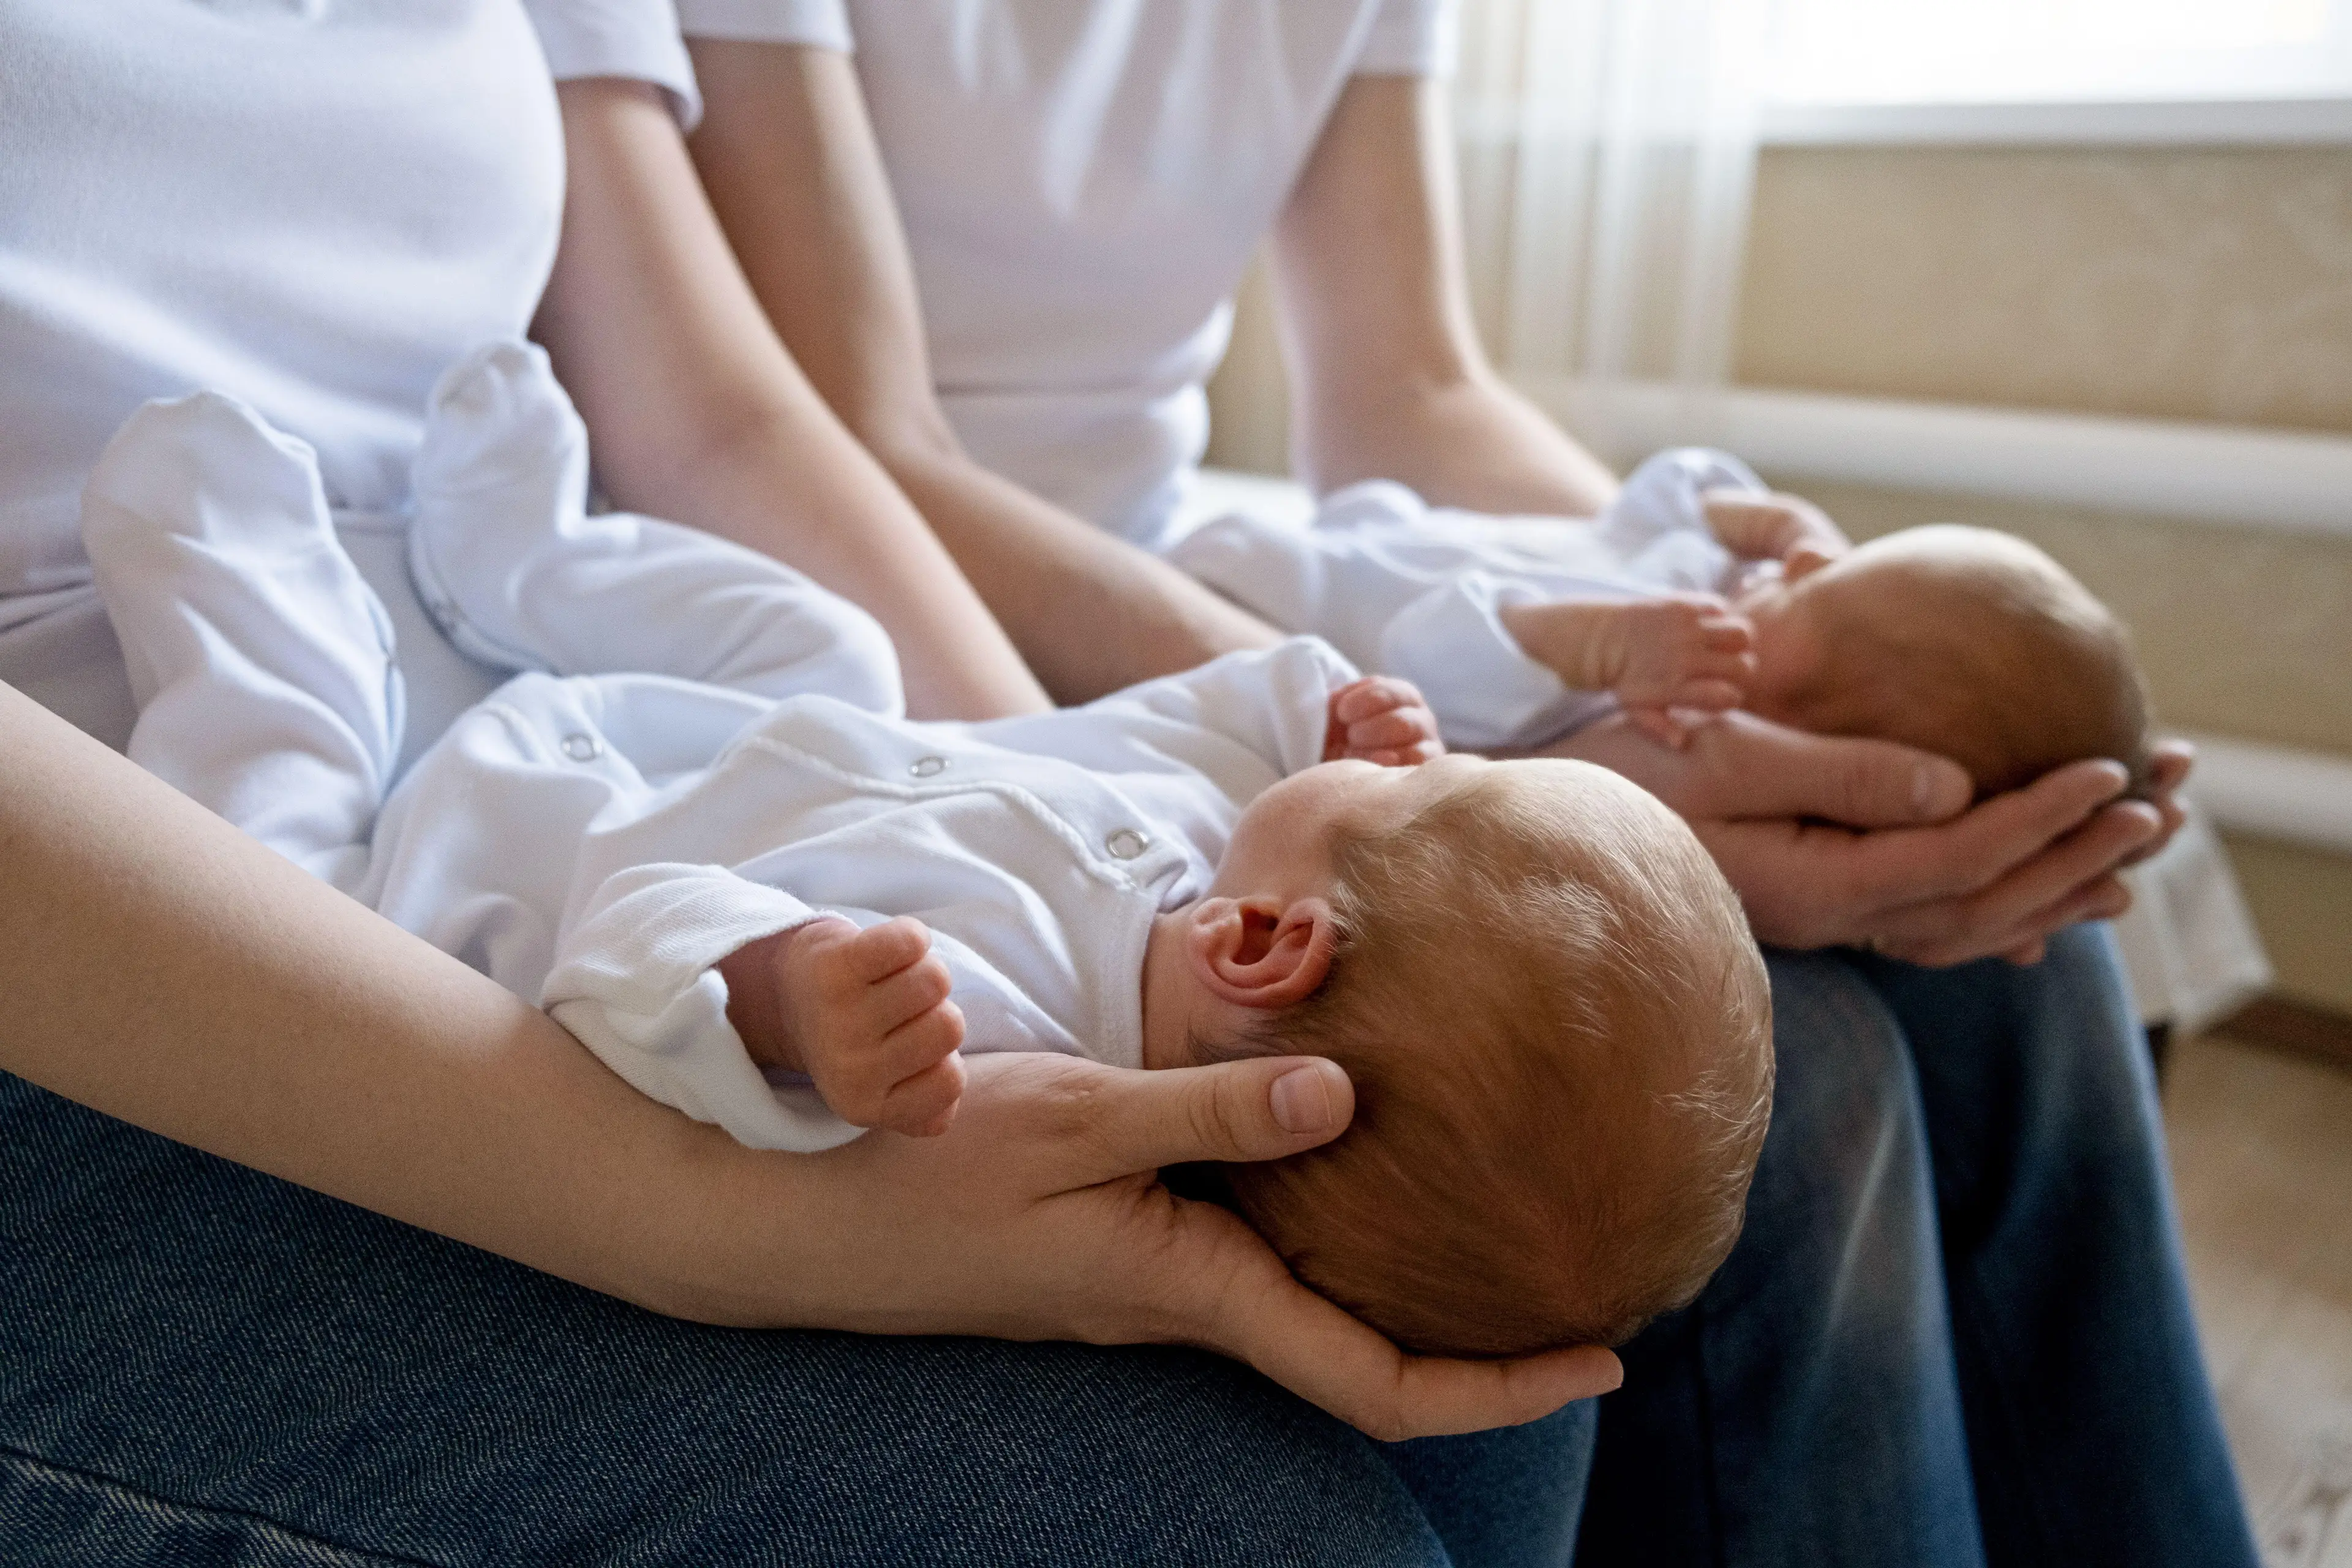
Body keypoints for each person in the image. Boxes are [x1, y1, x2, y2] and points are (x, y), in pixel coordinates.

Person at [0, 4, 1628, 1562]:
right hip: (157, 935)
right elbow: (669, 957)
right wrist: (699, 1211)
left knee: (1484, 1360)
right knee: (1215, 1525)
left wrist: (1016, 787)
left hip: (550, 706)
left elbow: (718, 425)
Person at [664, 2, 2258, 1561]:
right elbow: (858, 437)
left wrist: (1711, 625)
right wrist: (1514, 773)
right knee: (1807, 1073)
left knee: (2022, 973)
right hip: (894, 589)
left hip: (1204, 601)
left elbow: (1411, 391)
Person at [80, 339, 1774, 1361]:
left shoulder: (974, 1034)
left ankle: (261, 619)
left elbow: (624, 958)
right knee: (833, 642)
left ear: (1272, 949)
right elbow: (1212, 714)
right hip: (687, 733)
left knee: (268, 826)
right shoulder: (1220, 854)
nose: (1413, 756)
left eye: (1431, 791)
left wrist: (785, 1000)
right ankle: (525, 557)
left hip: (470, 870)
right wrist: (1342, 738)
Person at [1170, 448, 2155, 794]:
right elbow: (1651, 501)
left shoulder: (1656, 705)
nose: (1796, 564)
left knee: (1240, 590)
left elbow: (1435, 664)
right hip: (1376, 531)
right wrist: (1754, 512)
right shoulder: (1725, 585)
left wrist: (1589, 649)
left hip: (1289, 599)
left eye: (1811, 593)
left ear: (1794, 719)